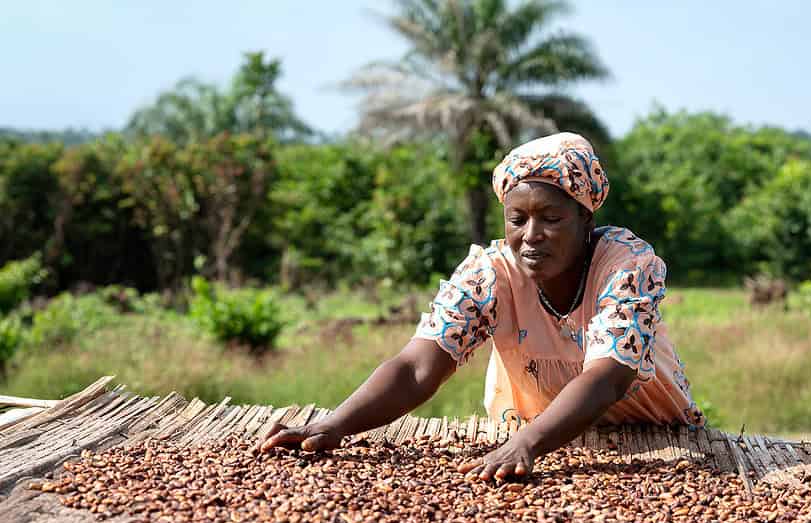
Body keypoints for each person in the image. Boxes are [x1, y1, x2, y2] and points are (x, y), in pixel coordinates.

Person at [260, 132, 706, 480]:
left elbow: (607, 378)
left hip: (657, 441)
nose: (531, 235)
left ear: (585, 219)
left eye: (551, 219)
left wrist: (529, 444)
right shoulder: (489, 275)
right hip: (544, 439)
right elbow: (418, 367)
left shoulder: (626, 266)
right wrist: (336, 425)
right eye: (518, 219)